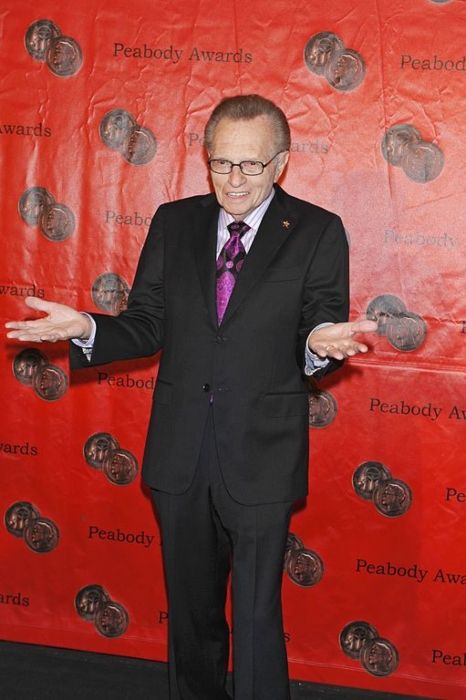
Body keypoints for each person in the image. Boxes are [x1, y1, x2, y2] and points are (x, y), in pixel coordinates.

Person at [6, 94, 377, 700]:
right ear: (206, 159)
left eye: (250, 166)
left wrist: (321, 342)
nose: (233, 180)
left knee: (257, 621)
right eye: (220, 163)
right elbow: (149, 322)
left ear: (280, 163)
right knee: (192, 620)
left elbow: (319, 321)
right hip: (180, 453)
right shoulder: (174, 222)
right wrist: (88, 328)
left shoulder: (316, 230)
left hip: (261, 454)